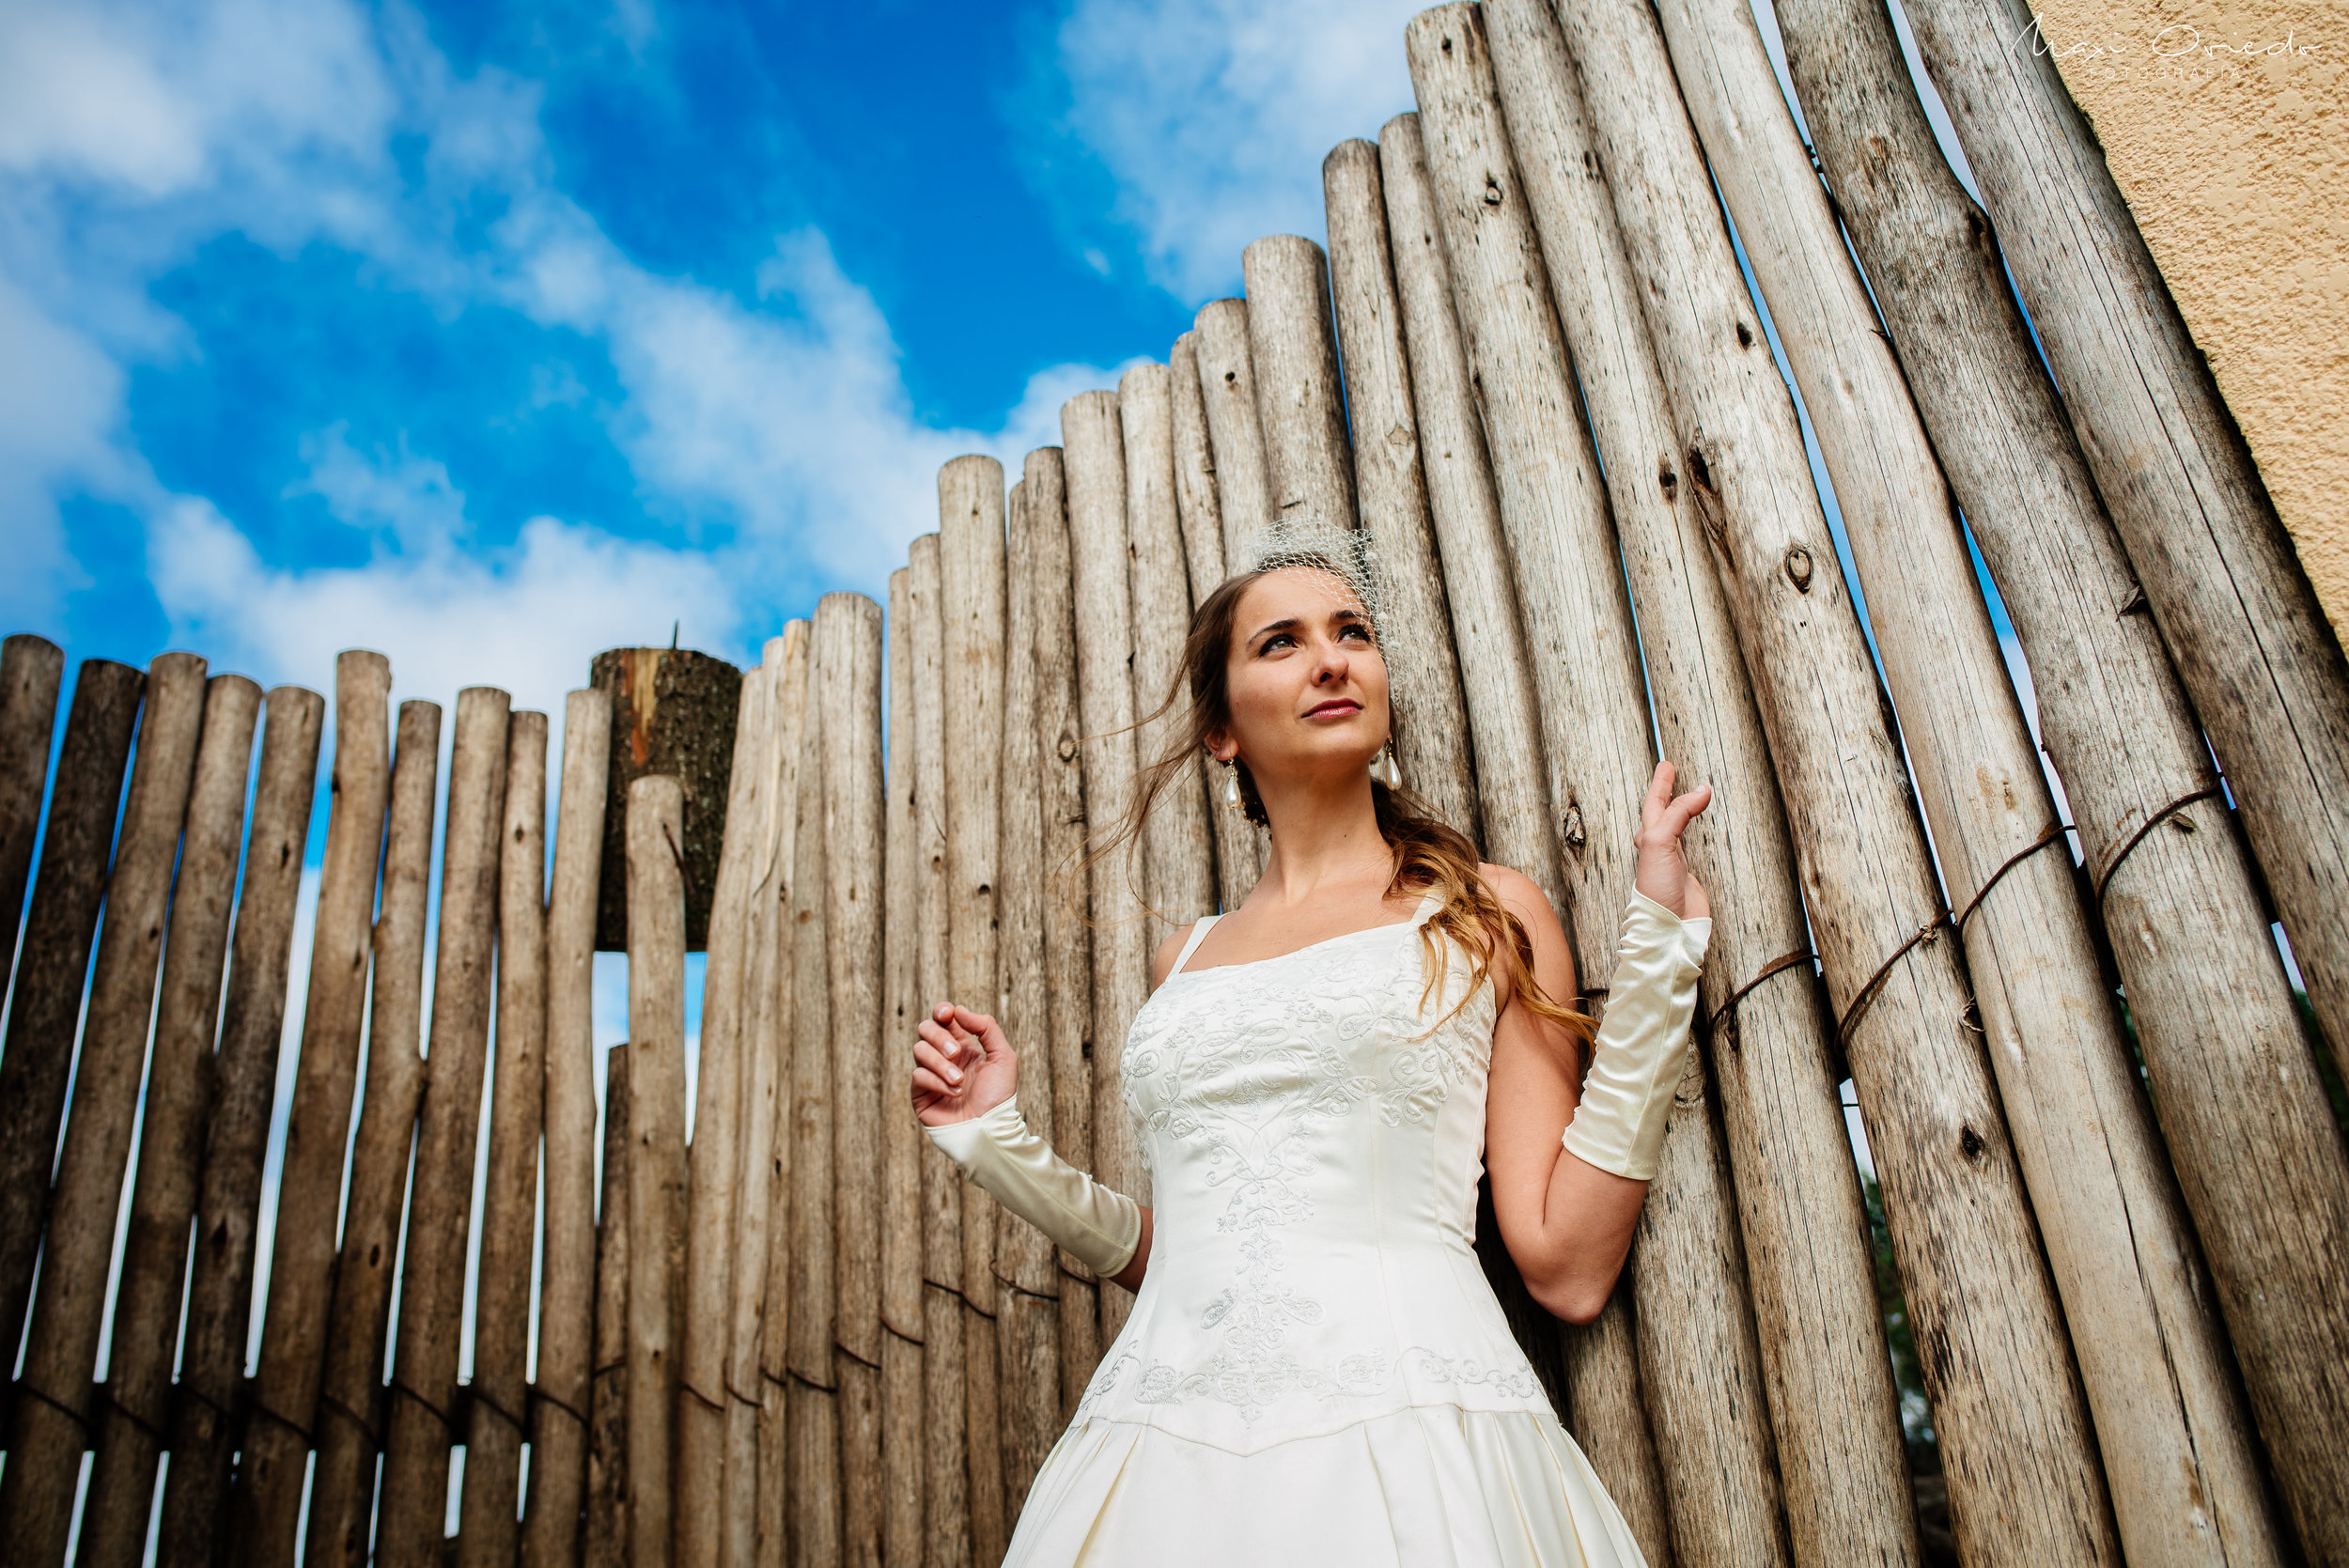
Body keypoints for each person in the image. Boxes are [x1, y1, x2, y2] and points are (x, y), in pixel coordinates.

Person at [910, 542, 1713, 1566]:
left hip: (1415, 1449)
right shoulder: (1183, 959)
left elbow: (1565, 1262)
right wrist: (994, 1143)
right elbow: (1194, 1254)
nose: (1330, 662)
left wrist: (1658, 960)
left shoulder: (1482, 913)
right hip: (1155, 1468)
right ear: (1219, 730)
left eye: (1353, 635)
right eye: (1280, 642)